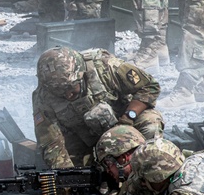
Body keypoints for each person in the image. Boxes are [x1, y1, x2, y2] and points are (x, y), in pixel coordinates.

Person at [32, 45, 163, 169]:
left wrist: (128, 117)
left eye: (70, 87)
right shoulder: (43, 97)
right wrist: (66, 175)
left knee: (150, 123)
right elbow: (50, 142)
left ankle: (150, 170)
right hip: (84, 140)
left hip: (125, 123)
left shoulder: (104, 66)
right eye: (59, 92)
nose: (68, 94)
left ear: (81, 74)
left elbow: (149, 87)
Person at [93, 125, 184, 195]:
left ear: (123, 158)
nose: (108, 170)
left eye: (107, 164)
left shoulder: (141, 177)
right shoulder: (161, 156)